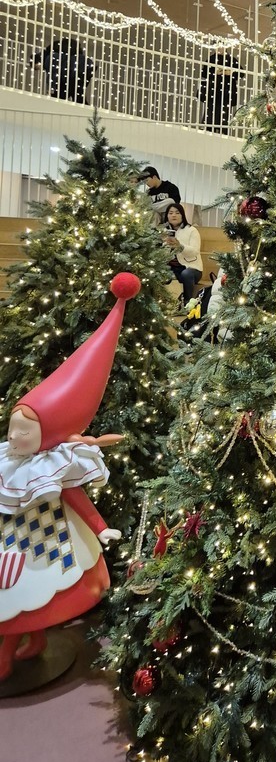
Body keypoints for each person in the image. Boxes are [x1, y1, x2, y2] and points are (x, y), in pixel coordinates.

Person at [0, 272, 140, 681]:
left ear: (47, 434)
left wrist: (100, 527)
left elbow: (74, 496)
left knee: (25, 597)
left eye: (24, 432)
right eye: (13, 428)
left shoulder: (55, 465)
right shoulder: (7, 459)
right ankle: (33, 641)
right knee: (16, 599)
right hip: (10, 543)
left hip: (47, 542)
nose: (14, 437)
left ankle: (9, 653)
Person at [162, 202, 203, 305]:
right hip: (171, 268)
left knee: (186, 274)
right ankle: (164, 303)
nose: (174, 215)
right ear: (167, 216)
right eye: (170, 213)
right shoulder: (163, 231)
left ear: (182, 215)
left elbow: (195, 251)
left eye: (177, 213)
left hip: (191, 268)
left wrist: (180, 246)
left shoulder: (192, 230)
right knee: (160, 273)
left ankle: (188, 303)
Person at [32, 37, 93, 103]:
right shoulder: (53, 54)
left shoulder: (49, 59)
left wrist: (51, 89)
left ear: (37, 62)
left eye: (36, 67)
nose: (38, 69)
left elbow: (54, 75)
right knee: (76, 92)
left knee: (69, 91)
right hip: (82, 69)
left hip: (74, 72)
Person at [199, 50, 240, 133]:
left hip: (226, 91)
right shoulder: (212, 58)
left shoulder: (231, 60)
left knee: (224, 112)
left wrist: (230, 73)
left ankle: (222, 130)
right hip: (213, 90)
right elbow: (204, 73)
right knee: (211, 110)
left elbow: (240, 73)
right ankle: (210, 128)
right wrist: (215, 72)